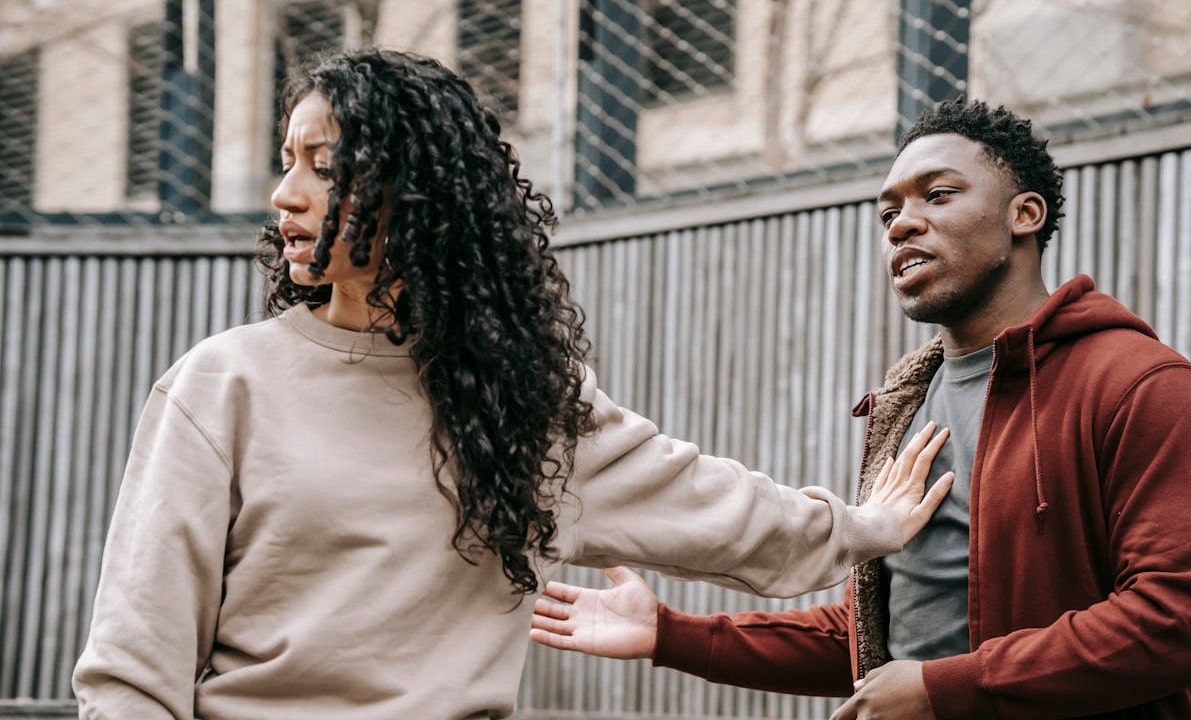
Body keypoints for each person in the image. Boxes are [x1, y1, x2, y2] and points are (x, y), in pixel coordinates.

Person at [70, 48, 955, 720]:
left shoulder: (521, 408)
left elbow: (716, 506)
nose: (284, 193)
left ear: (419, 194)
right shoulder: (222, 385)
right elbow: (132, 673)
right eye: (287, 159)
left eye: (324, 165)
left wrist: (866, 526)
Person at [530, 99, 1191, 720]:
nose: (902, 225)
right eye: (889, 211)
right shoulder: (908, 405)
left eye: (937, 195)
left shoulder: (1139, 384)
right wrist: (670, 634)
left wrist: (946, 688)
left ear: (1024, 215)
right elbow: (875, 636)